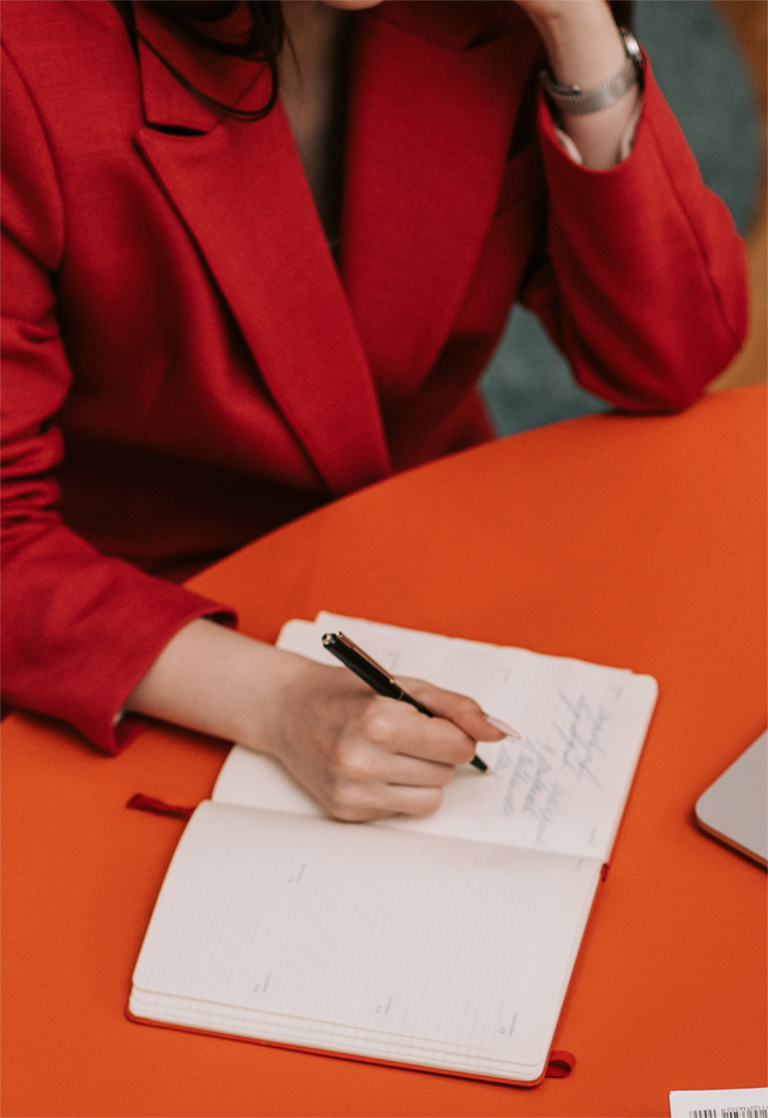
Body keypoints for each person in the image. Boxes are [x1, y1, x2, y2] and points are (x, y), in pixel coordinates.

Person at [1, 0, 747, 821]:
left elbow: (672, 354)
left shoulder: (488, 14)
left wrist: (578, 29)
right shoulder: (26, 57)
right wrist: (279, 701)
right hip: (138, 629)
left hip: (435, 540)